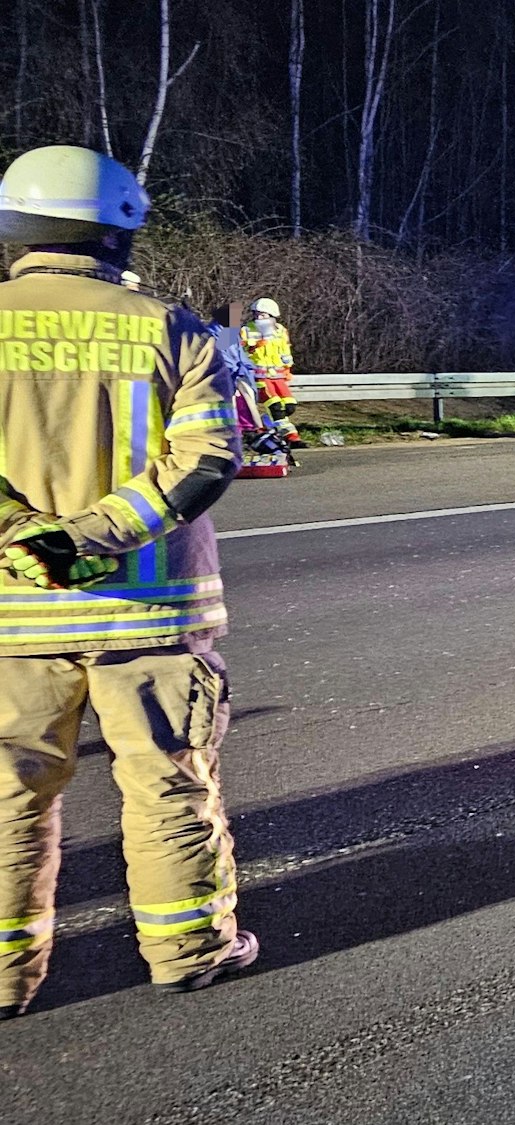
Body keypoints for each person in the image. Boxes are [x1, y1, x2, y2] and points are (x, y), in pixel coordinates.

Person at [0, 145, 258, 1017]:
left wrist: (32, 538)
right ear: (119, 226)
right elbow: (210, 459)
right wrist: (95, 537)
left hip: (12, 614)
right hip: (149, 610)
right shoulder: (173, 329)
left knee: (8, 795)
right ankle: (189, 949)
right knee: (167, 779)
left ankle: (5, 975)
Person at [240, 297, 301, 447]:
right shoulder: (247, 330)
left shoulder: (281, 331)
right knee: (275, 407)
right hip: (260, 377)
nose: (259, 317)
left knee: (289, 406)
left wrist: (288, 368)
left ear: (272, 315)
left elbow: (285, 350)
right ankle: (289, 436)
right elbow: (240, 351)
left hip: (279, 376)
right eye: (256, 314)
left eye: (263, 314)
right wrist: (255, 346)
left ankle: (268, 424)